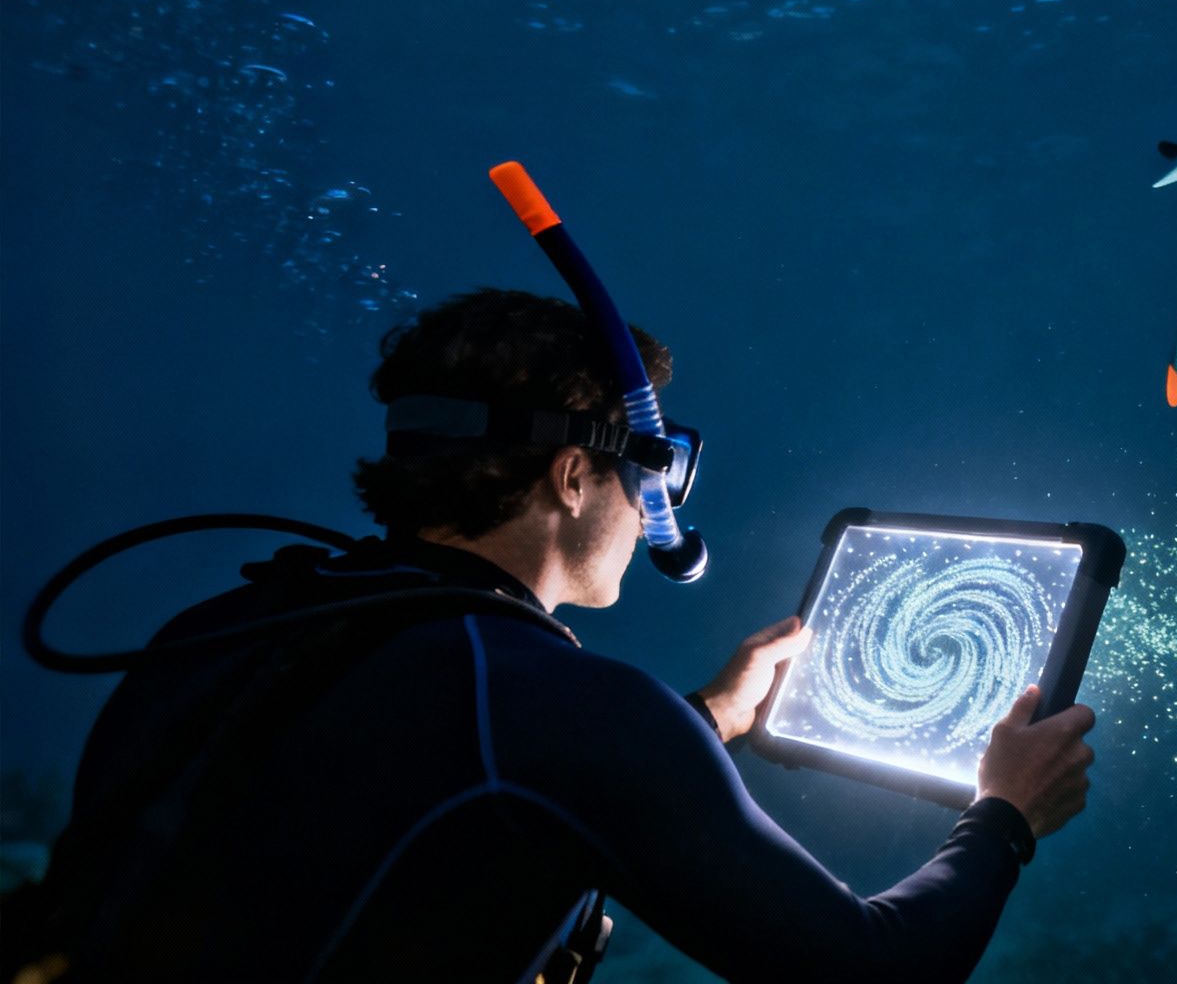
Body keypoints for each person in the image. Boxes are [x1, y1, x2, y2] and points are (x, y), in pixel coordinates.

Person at [24, 288, 1098, 982]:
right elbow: (872, 970)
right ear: (573, 474)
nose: (655, 511)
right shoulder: (566, 711)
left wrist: (704, 720)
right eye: (655, 471)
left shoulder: (235, 628)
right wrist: (1003, 816)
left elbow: (410, 785)